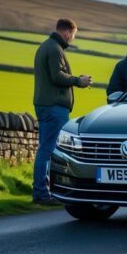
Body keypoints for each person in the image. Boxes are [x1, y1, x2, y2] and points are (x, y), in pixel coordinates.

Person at [32, 18, 92, 205]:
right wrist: (78, 81)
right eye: (73, 35)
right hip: (53, 106)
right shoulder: (54, 49)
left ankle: (44, 190)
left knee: (45, 148)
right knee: (48, 150)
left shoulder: (46, 46)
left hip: (46, 104)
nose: (72, 39)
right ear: (66, 32)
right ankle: (42, 193)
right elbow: (56, 75)